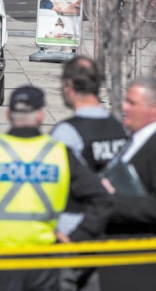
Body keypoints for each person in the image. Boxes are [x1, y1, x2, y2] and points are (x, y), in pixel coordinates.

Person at [0, 85, 113, 291]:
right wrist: (75, 238)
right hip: (42, 261)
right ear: (41, 116)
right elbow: (102, 199)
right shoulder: (59, 153)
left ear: (8, 114)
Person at [98, 77, 156, 291]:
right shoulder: (134, 139)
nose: (124, 108)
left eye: (132, 103)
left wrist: (112, 202)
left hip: (144, 271)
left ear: (154, 108)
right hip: (119, 264)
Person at [50, 57, 128, 291]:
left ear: (70, 86)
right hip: (107, 235)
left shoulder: (66, 133)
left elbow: (51, 187)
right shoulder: (119, 130)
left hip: (70, 235)